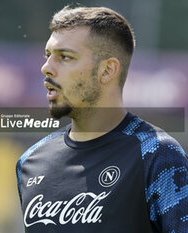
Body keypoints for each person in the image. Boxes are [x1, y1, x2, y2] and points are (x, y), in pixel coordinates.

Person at [16, 5, 188, 233]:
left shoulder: (157, 155)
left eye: (65, 57)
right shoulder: (29, 161)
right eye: (48, 56)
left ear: (107, 70)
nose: (46, 68)